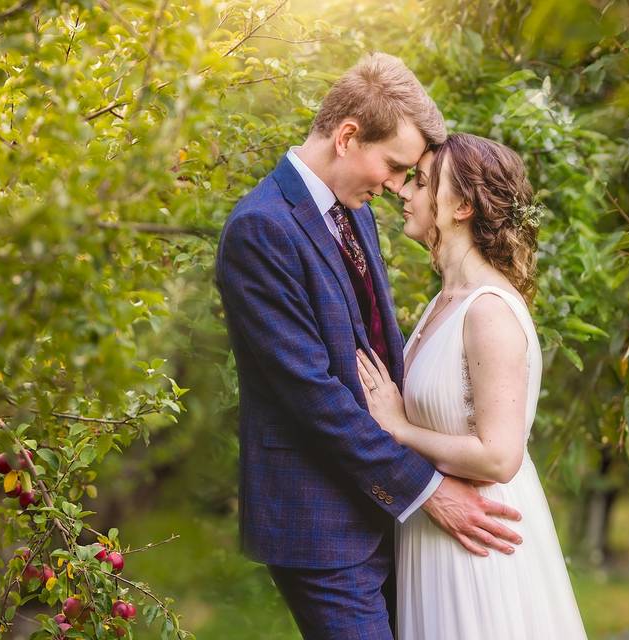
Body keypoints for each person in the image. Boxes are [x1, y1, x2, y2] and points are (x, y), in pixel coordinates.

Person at [215, 54, 523, 640]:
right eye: (393, 166)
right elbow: (314, 395)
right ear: (349, 136)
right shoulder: (261, 230)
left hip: (385, 515)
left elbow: (377, 351)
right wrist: (428, 489)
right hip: (321, 525)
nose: (396, 187)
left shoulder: (354, 215)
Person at [356, 133, 588, 639]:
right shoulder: (446, 302)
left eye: (420, 183)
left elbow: (499, 456)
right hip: (436, 538)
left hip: (481, 548)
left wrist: (398, 429)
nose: (404, 193)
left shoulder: (488, 311)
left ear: (461, 206)